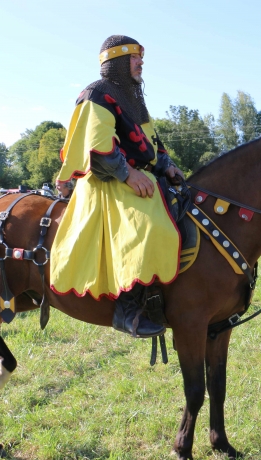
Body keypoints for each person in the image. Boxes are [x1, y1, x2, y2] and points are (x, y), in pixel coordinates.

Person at [50, 35, 184, 338]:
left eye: (141, 58)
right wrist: (128, 175)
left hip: (135, 177)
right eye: (134, 58)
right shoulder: (97, 94)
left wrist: (167, 165)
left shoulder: (134, 97)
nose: (140, 63)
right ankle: (128, 309)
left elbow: (150, 143)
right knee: (145, 227)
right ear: (118, 63)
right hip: (106, 181)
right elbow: (97, 147)